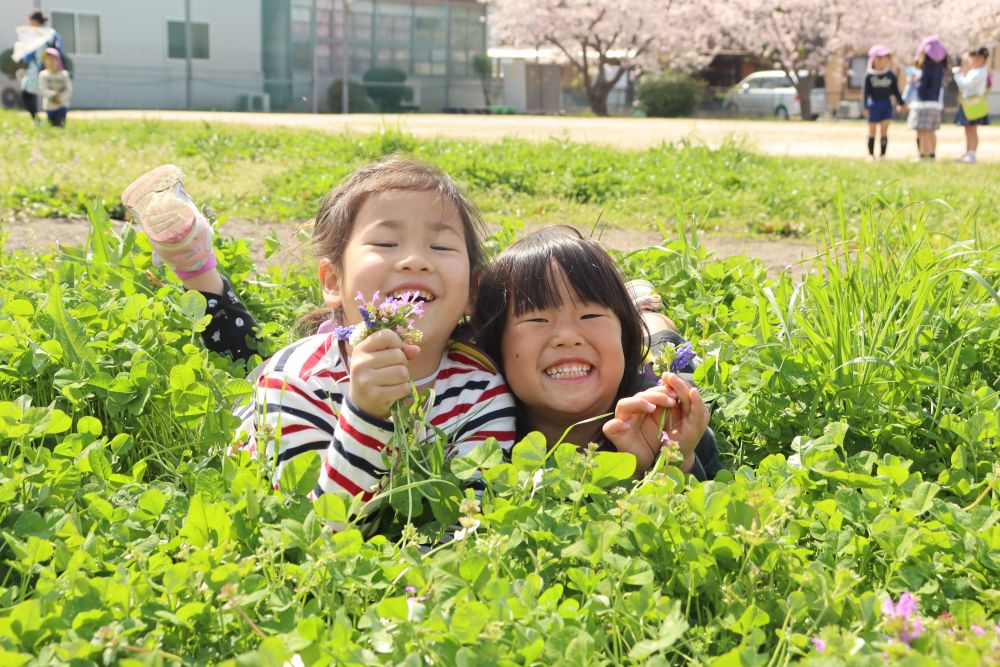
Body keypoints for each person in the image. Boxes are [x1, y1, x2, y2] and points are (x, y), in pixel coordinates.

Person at [123, 158, 517, 503]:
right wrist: (365, 413)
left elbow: (473, 515)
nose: (415, 260)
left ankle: (195, 259)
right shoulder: (294, 383)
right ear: (332, 282)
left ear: (471, 292)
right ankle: (194, 261)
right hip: (271, 404)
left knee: (253, 354)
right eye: (386, 242)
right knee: (246, 361)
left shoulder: (482, 391)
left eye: (442, 247)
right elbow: (315, 526)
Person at [471, 226, 720, 480]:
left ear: (624, 337)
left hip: (650, 366)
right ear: (495, 345)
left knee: (663, 353)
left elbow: (711, 504)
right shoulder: (479, 424)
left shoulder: (666, 414)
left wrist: (671, 461)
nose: (568, 337)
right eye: (537, 319)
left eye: (590, 315)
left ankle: (648, 315)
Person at [12, 11, 63, 124]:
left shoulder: (37, 35)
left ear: (34, 21)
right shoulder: (53, 34)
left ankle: (38, 120)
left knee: (28, 94)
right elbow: (60, 52)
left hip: (37, 70)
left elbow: (28, 56)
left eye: (30, 22)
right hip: (52, 69)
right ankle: (55, 121)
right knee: (49, 93)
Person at [907, 37, 947, 160]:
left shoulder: (927, 69)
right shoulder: (939, 68)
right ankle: (932, 155)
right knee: (931, 131)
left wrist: (914, 81)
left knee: (923, 130)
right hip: (935, 104)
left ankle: (922, 155)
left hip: (923, 104)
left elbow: (922, 87)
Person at [863, 45, 906, 160]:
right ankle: (871, 155)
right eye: (883, 58)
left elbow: (896, 91)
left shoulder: (890, 75)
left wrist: (901, 103)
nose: (886, 61)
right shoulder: (869, 76)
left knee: (884, 130)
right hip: (873, 104)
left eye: (887, 58)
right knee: (872, 130)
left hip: (886, 104)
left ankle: (883, 154)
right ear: (875, 59)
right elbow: (865, 93)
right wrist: (865, 107)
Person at [952, 47, 992, 165]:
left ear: (981, 58)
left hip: (974, 103)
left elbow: (966, 85)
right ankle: (968, 153)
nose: (971, 60)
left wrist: (958, 75)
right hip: (968, 103)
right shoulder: (975, 71)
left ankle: (972, 154)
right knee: (968, 129)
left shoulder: (980, 72)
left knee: (972, 130)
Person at [38, 48, 71, 128]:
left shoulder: (64, 75)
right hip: (49, 106)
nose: (50, 62)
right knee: (52, 125)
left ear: (58, 61)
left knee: (60, 124)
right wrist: (51, 94)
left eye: (53, 60)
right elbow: (42, 88)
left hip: (61, 105)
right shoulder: (43, 75)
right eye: (47, 60)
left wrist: (60, 98)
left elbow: (68, 89)